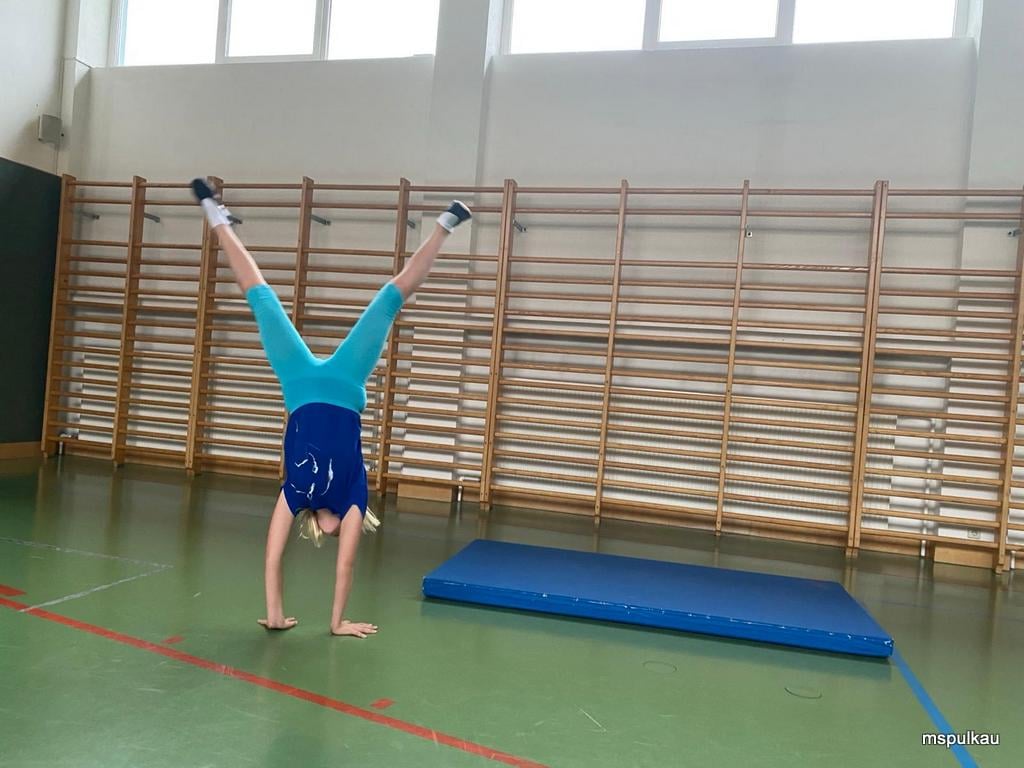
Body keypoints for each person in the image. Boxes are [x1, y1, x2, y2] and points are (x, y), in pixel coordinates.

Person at [192, 178, 471, 637]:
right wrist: (337, 622)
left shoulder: (295, 494)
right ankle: (444, 226)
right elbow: (346, 566)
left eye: (332, 534)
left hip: (300, 385)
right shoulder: (354, 497)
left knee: (260, 297)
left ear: (318, 529)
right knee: (391, 298)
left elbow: (272, 556)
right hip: (345, 383)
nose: (339, 534)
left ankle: (216, 217)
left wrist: (276, 614)